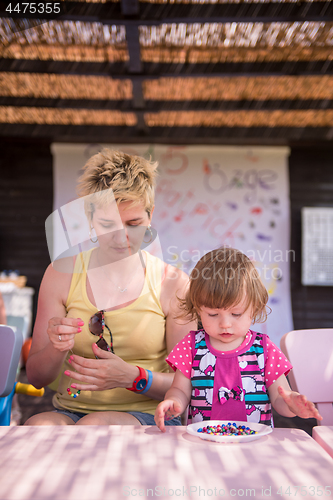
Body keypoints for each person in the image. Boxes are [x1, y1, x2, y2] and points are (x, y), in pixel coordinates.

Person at [25, 149, 196, 426]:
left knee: (96, 427)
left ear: (150, 216)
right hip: (69, 411)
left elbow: (188, 385)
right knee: (39, 427)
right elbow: (36, 377)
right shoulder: (60, 274)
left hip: (149, 416)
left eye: (134, 223)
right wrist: (56, 348)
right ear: (91, 220)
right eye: (108, 224)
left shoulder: (174, 284)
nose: (122, 237)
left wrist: (134, 377)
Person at [154, 247, 322, 431]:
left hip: (255, 444)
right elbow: (180, 390)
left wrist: (291, 405)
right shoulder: (192, 346)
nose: (225, 323)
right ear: (198, 309)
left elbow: (279, 398)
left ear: (254, 308)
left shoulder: (264, 348)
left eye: (236, 314)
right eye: (212, 314)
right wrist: (173, 401)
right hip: (203, 441)